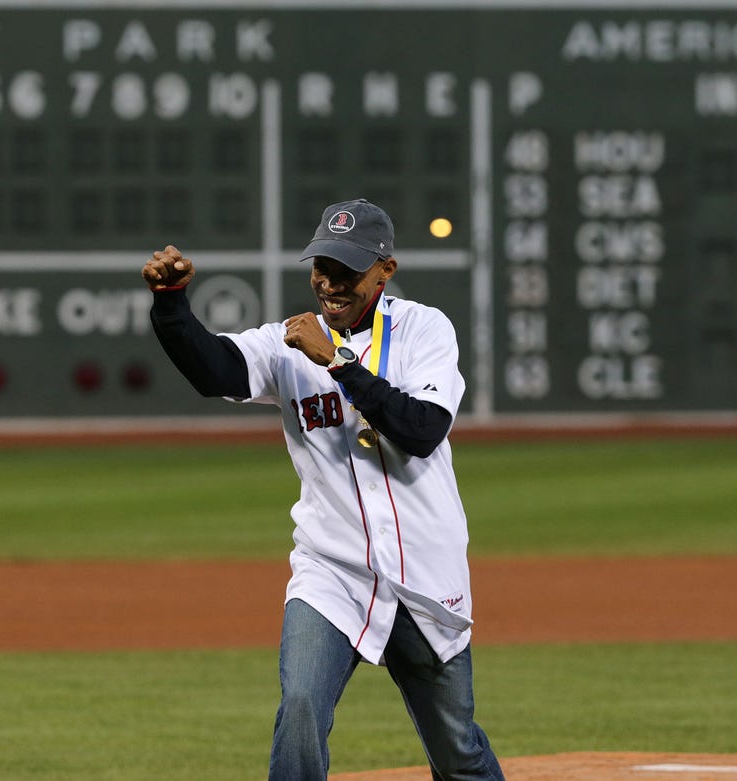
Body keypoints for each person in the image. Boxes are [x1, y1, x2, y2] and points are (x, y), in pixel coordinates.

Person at [141, 199, 504, 781]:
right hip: (331, 570)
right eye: (322, 267)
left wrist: (337, 362)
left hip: (424, 573)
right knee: (303, 707)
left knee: (457, 749)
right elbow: (215, 369)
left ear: (385, 270)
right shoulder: (288, 341)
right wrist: (171, 307)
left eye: (347, 269)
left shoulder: (424, 330)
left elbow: (422, 429)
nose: (330, 282)